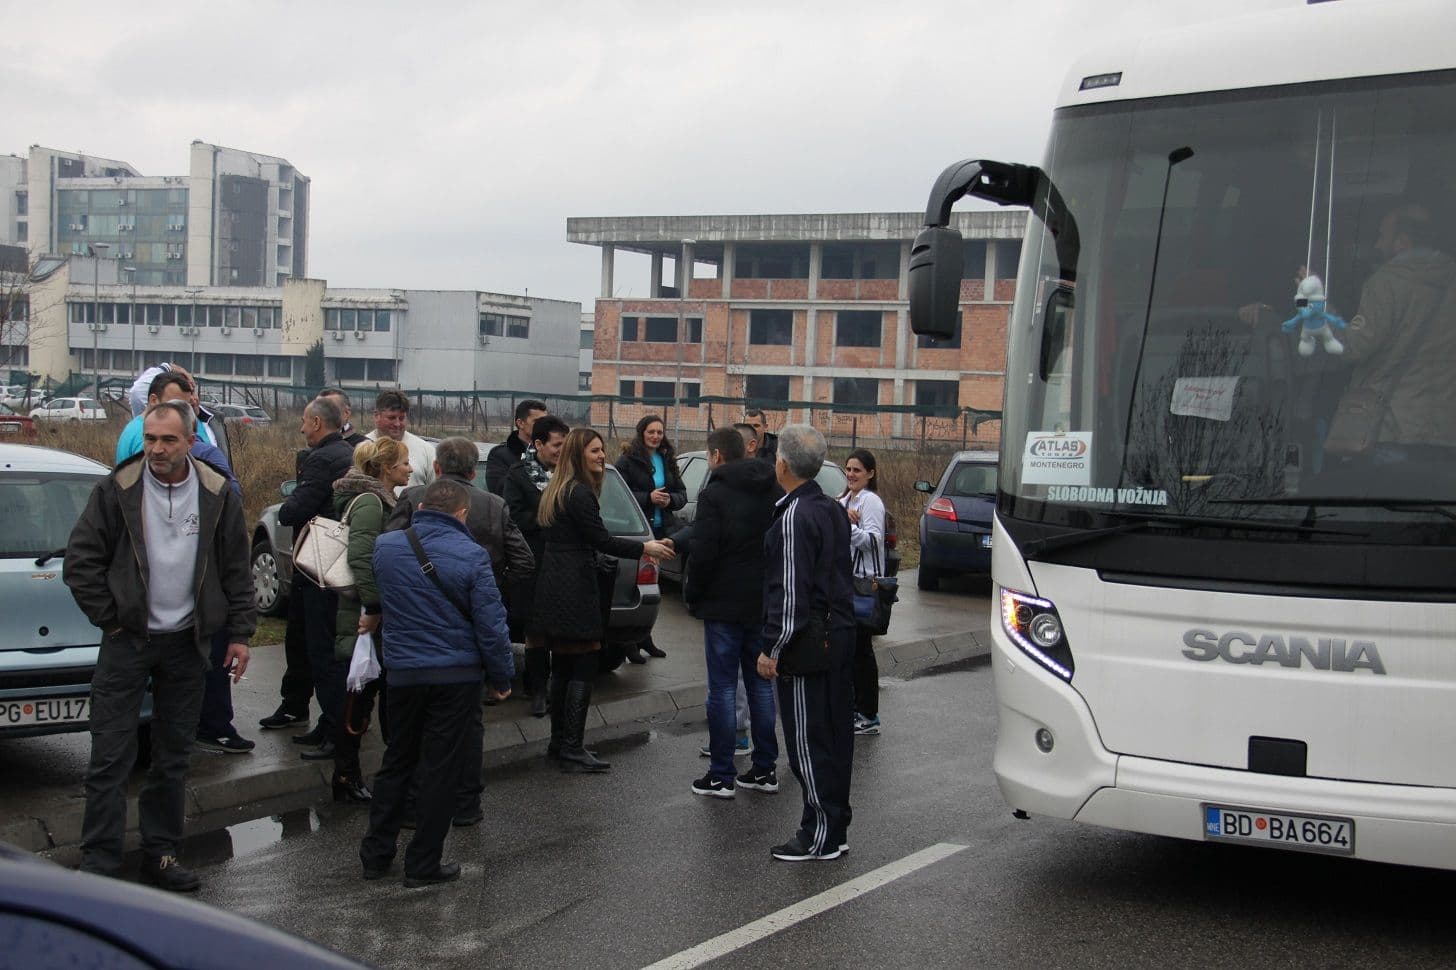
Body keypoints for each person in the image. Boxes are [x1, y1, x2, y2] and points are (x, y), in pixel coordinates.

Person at [64, 401, 255, 891]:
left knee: (172, 757)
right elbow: (81, 563)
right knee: (109, 755)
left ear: (191, 442)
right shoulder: (117, 489)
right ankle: (100, 865)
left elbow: (236, 568)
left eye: (168, 440)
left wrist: (239, 633)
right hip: (127, 642)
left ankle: (162, 855)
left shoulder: (216, 492)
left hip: (187, 643)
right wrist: (112, 620)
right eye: (150, 439)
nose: (157, 449)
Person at [359, 479, 515, 888]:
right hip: (455, 676)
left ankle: (375, 854)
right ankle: (423, 862)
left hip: (404, 673)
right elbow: (491, 625)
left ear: (423, 505)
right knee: (439, 768)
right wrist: (501, 677)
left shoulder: (387, 547)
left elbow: (382, 598)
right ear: (462, 514)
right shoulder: (472, 555)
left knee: (397, 760)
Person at [386, 436, 535, 825]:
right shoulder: (495, 504)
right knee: (467, 725)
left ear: (436, 467)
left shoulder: (414, 495)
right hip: (472, 625)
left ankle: (414, 807)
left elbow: (391, 550)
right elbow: (524, 561)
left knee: (415, 730)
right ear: (474, 471)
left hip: (414, 623)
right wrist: (494, 589)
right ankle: (467, 804)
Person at [534, 428, 674, 771]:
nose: (601, 455)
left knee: (564, 666)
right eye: (595, 451)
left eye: (601, 450)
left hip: (555, 584)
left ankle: (559, 744)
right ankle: (572, 748)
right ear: (578, 455)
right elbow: (601, 540)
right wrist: (645, 547)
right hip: (575, 587)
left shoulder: (558, 488)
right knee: (582, 665)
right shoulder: (579, 493)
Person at [756, 424, 855, 862]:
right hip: (838, 636)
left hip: (809, 644)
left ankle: (819, 833)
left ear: (782, 464)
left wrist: (772, 648)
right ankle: (835, 825)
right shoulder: (830, 507)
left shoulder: (796, 515)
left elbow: (791, 593)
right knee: (833, 737)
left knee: (807, 742)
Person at [686, 427, 781, 799]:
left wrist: (694, 595)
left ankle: (722, 773)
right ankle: (764, 769)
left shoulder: (715, 493)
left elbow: (704, 553)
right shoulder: (774, 489)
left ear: (716, 456)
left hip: (723, 605)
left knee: (723, 688)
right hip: (761, 602)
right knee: (760, 684)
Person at [1327, 203, 1456, 463]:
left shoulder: (1386, 282)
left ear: (1402, 242)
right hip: (1446, 433)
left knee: (1383, 499)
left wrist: (1324, 314)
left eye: (1382, 236)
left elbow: (1353, 348)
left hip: (1394, 430)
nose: (1377, 245)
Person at [328, 437, 413, 804]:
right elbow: (361, 559)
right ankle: (345, 775)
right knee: (358, 699)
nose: (410, 468)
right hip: (363, 617)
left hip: (370, 614)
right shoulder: (370, 503)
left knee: (365, 695)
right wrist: (374, 608)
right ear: (384, 468)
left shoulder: (382, 500)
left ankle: (357, 774)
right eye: (404, 463)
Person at [272, 396, 356, 760]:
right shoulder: (351, 452)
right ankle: (328, 723)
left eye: (305, 422)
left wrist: (289, 504)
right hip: (336, 569)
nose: (302, 428)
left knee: (323, 654)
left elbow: (293, 510)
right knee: (321, 651)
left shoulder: (322, 458)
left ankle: (336, 732)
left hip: (319, 568)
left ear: (318, 423)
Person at [502, 415, 570, 717]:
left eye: (565, 446)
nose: (561, 451)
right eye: (557, 446)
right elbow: (513, 518)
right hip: (534, 562)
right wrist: (548, 517)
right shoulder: (518, 475)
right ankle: (537, 689)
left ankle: (559, 688)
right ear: (538, 444)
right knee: (535, 630)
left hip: (565, 563)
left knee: (561, 630)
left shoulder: (571, 474)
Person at [613, 414, 686, 663]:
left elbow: (682, 493)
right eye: (651, 432)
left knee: (653, 588)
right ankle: (630, 643)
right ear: (641, 433)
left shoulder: (667, 459)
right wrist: (648, 498)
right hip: (636, 532)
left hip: (661, 530)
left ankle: (645, 637)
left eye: (659, 432)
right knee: (636, 587)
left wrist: (670, 500)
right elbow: (617, 493)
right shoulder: (627, 460)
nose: (656, 436)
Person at [839, 448, 887, 736]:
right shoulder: (846, 499)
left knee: (861, 651)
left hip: (864, 585)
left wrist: (849, 526)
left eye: (857, 470)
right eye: (848, 469)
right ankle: (855, 707)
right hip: (845, 583)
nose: (851, 475)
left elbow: (872, 541)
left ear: (870, 473)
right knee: (850, 651)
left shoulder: (871, 502)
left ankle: (869, 714)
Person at [366, 389, 436, 490]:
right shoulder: (363, 447)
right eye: (391, 418)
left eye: (402, 418)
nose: (397, 424)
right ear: (377, 415)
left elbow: (437, 492)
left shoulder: (426, 450)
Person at [486, 398, 548, 496]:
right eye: (537, 421)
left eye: (546, 422)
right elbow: (499, 490)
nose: (544, 426)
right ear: (520, 423)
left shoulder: (552, 453)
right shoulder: (500, 455)